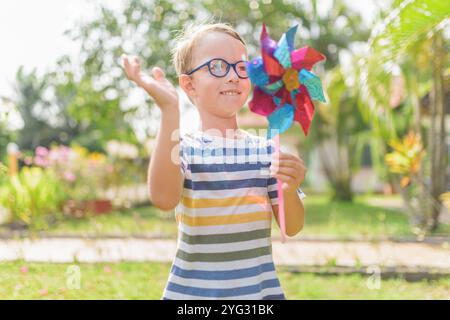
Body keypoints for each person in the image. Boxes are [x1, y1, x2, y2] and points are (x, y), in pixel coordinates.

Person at [122, 21, 307, 300]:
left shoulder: (266, 151)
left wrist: (290, 189)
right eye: (217, 67)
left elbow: (291, 227)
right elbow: (162, 197)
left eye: (241, 67)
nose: (233, 76)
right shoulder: (184, 149)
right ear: (189, 84)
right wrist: (169, 110)